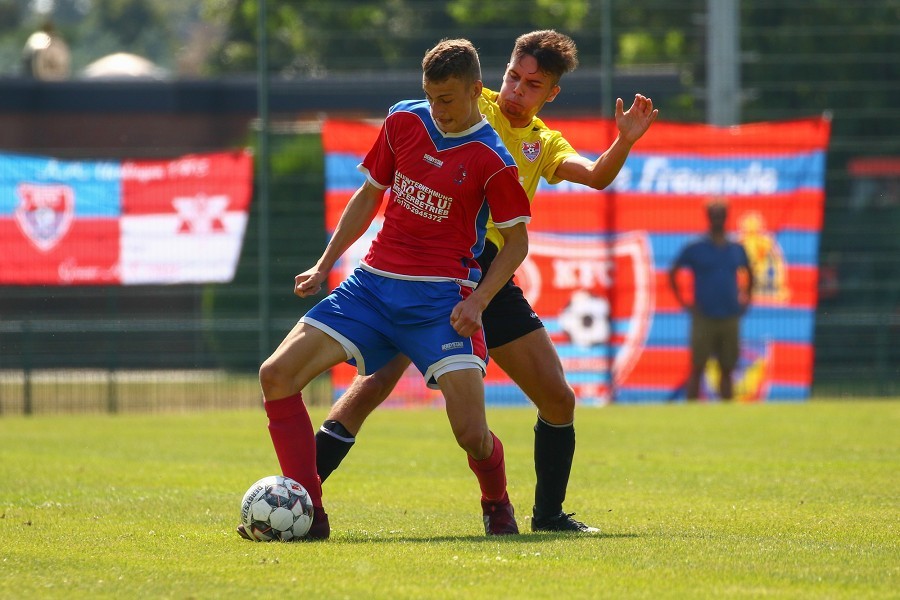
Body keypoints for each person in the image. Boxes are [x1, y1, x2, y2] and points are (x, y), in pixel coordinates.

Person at [315, 30, 658, 533]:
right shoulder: (474, 102)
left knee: (559, 400)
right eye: (513, 77)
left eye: (533, 84)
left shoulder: (544, 143)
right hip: (432, 270)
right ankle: (300, 492)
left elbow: (596, 175)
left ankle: (548, 515)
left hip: (489, 280)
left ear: (551, 94)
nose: (517, 90)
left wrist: (624, 140)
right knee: (372, 386)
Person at [237, 38, 532, 540]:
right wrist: (323, 263)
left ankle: (496, 500)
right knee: (276, 375)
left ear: (475, 91)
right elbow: (369, 195)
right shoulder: (402, 121)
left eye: (449, 99)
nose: (438, 109)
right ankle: (312, 517)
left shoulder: (493, 158)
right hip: (372, 288)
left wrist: (477, 303)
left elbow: (516, 245)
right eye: (430, 96)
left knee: (472, 435)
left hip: (440, 301)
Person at [668, 197, 754, 401]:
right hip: (704, 316)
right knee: (697, 367)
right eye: (714, 215)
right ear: (708, 217)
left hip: (730, 315)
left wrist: (746, 300)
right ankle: (691, 412)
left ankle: (727, 415)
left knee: (727, 369)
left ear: (726, 217)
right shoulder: (696, 247)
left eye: (721, 215)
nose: (717, 219)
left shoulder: (736, 248)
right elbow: (673, 272)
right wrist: (684, 302)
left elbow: (750, 273)